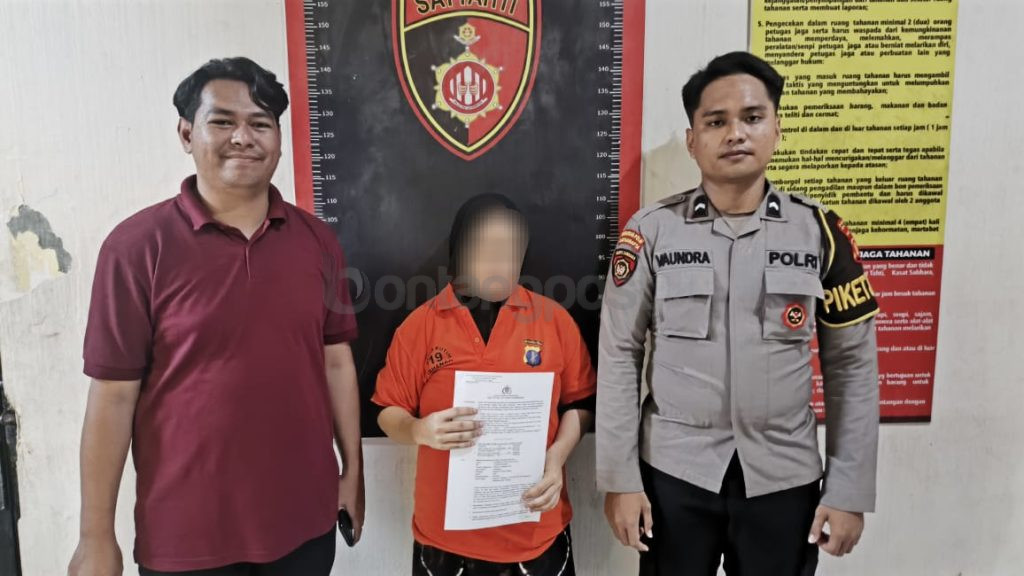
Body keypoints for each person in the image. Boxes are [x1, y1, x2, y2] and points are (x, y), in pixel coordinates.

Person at [68, 57, 363, 576]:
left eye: (261, 123)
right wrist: (95, 538)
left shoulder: (318, 241)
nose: (243, 138)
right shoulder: (136, 248)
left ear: (279, 139)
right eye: (223, 121)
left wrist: (353, 471)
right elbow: (112, 396)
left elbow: (335, 361)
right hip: (186, 536)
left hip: (305, 525)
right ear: (187, 133)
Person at [597, 51, 880, 576]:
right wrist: (620, 480)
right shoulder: (651, 232)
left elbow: (853, 366)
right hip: (674, 477)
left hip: (783, 477)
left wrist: (848, 490)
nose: (735, 134)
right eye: (716, 121)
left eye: (752, 117)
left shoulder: (820, 233)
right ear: (692, 140)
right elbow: (618, 356)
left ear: (777, 129)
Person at [373, 194, 596, 576]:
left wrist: (558, 457)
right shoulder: (420, 326)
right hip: (445, 541)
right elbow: (387, 409)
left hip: (536, 534)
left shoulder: (554, 321)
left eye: (510, 250)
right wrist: (418, 430)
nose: (499, 261)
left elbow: (579, 402)